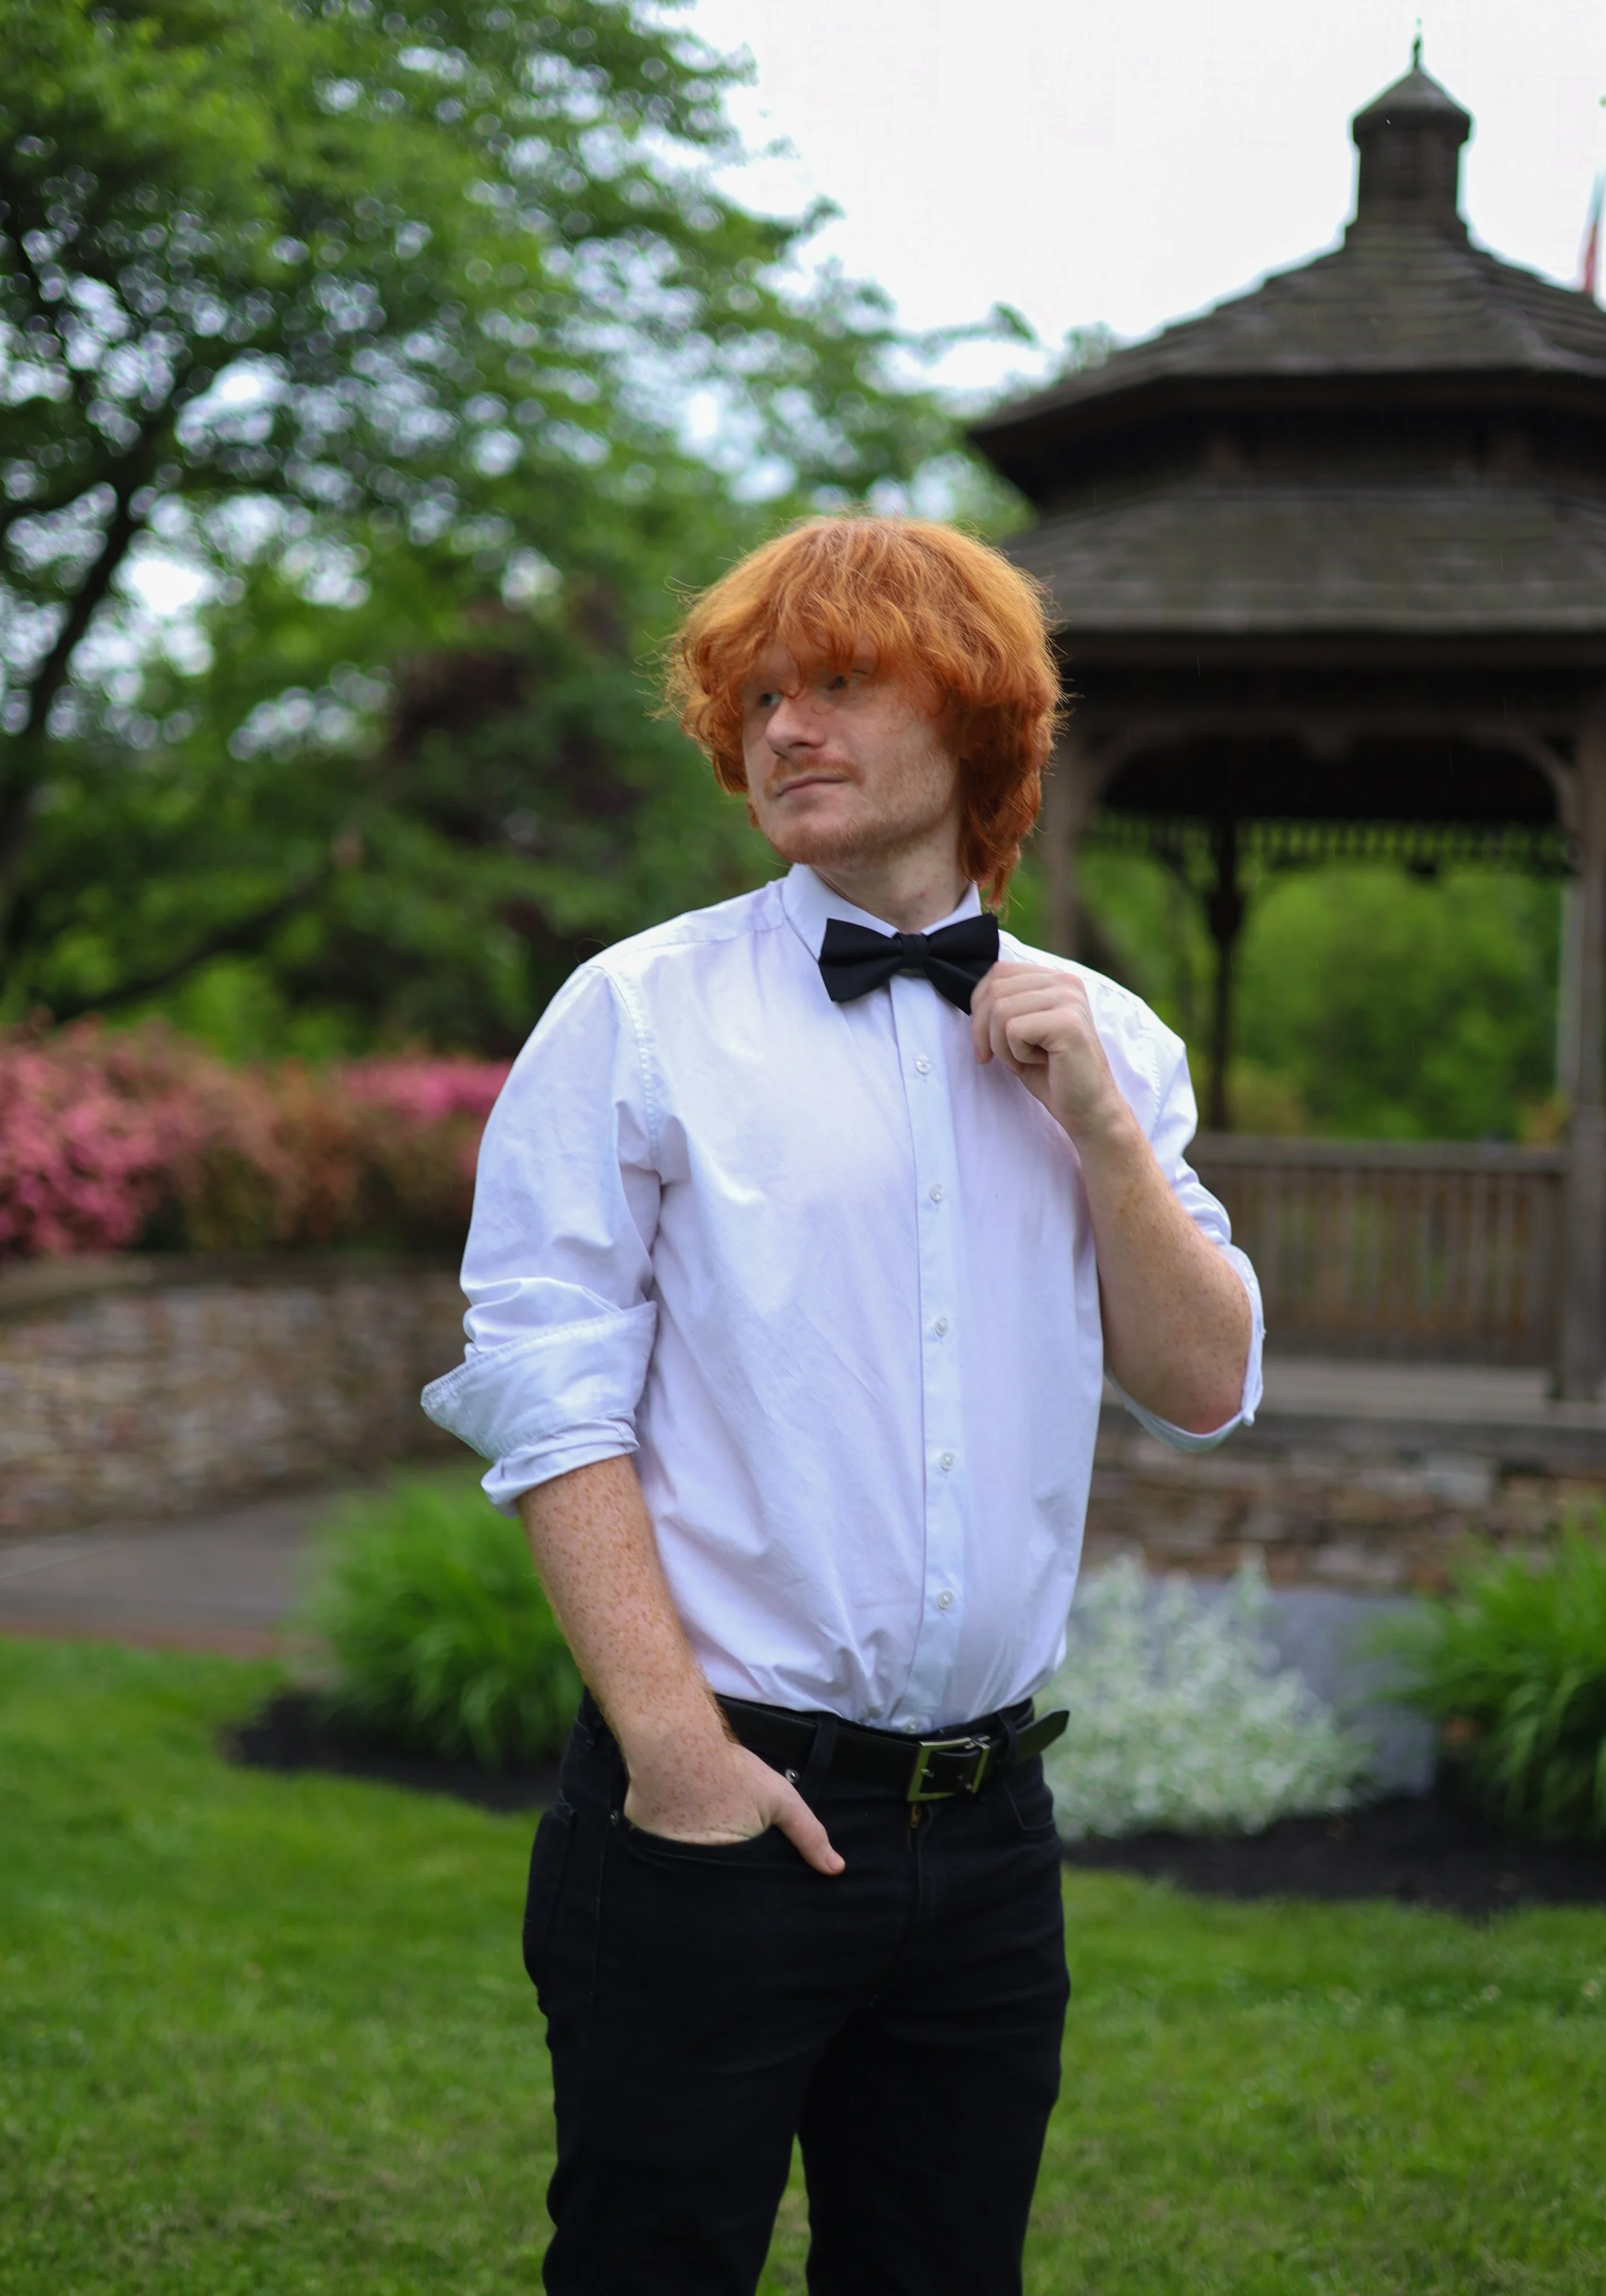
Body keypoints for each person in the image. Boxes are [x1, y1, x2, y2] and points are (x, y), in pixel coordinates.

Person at [423, 516, 1262, 2295]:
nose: (783, 727)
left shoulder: (1109, 1041)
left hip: (989, 1840)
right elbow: (543, 1395)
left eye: (841, 686)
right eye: (759, 699)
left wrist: (1102, 1130)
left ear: (977, 724)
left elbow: (1199, 1383)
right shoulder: (634, 1017)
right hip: (709, 1809)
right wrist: (674, 1753)